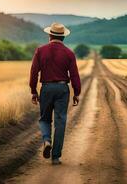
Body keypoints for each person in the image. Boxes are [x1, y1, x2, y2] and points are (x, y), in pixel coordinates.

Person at [29, 22, 81, 165]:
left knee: (45, 119)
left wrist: (33, 91)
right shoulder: (69, 53)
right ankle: (56, 157)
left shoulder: (40, 51)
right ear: (63, 37)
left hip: (46, 88)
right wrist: (77, 93)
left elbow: (34, 73)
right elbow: (75, 75)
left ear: (50, 35)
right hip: (62, 89)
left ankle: (46, 140)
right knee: (60, 122)